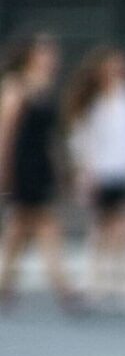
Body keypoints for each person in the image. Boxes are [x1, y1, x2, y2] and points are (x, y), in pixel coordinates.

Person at [65, 44, 125, 313]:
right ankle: (99, 279)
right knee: (102, 228)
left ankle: (124, 278)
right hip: (100, 172)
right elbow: (81, 140)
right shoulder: (91, 101)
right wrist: (84, 172)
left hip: (122, 170)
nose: (116, 72)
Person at [0, 32, 83, 314]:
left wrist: (61, 169)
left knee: (19, 229)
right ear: (30, 55)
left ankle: (5, 285)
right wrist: (4, 172)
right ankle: (63, 287)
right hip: (21, 167)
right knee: (40, 226)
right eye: (44, 52)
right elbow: (6, 134)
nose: (50, 58)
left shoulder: (45, 88)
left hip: (40, 167)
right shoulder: (16, 87)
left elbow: (50, 137)